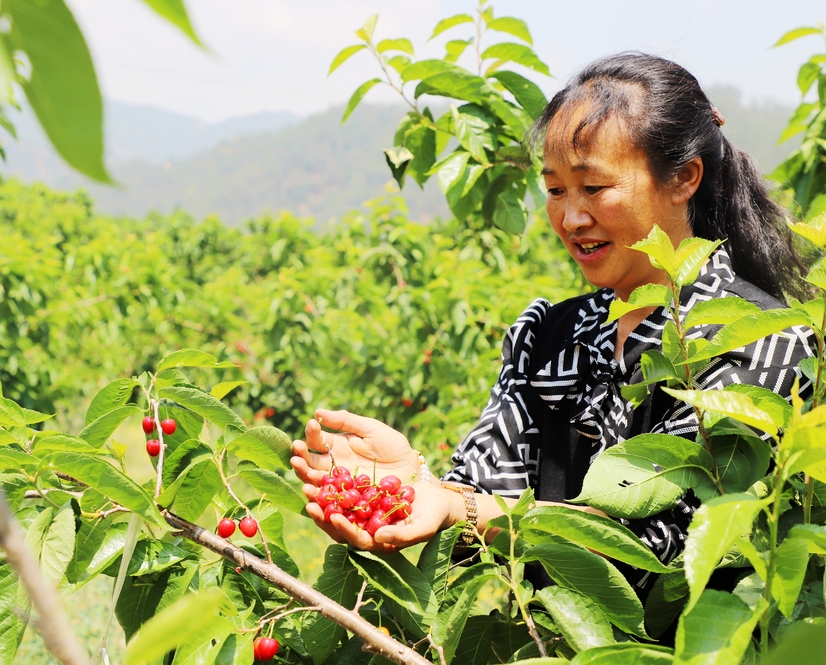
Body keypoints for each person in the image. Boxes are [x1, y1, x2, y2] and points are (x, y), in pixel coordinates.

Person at [289, 53, 815, 592]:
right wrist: (415, 484)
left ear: (683, 178)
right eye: (556, 190)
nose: (570, 218)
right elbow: (481, 488)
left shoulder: (760, 340)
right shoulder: (549, 338)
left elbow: (653, 547)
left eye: (594, 188)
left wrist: (455, 506)